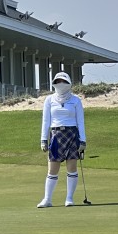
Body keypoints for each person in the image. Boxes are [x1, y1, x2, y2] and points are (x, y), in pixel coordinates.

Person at [37, 71, 87, 208]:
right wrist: (43, 140)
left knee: (71, 167)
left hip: (72, 134)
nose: (60, 84)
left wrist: (83, 140)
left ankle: (69, 198)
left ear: (69, 83)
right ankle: (47, 199)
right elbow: (45, 121)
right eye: (58, 82)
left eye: (63, 82)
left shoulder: (76, 100)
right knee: (52, 169)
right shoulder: (49, 100)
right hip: (56, 135)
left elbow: (80, 121)